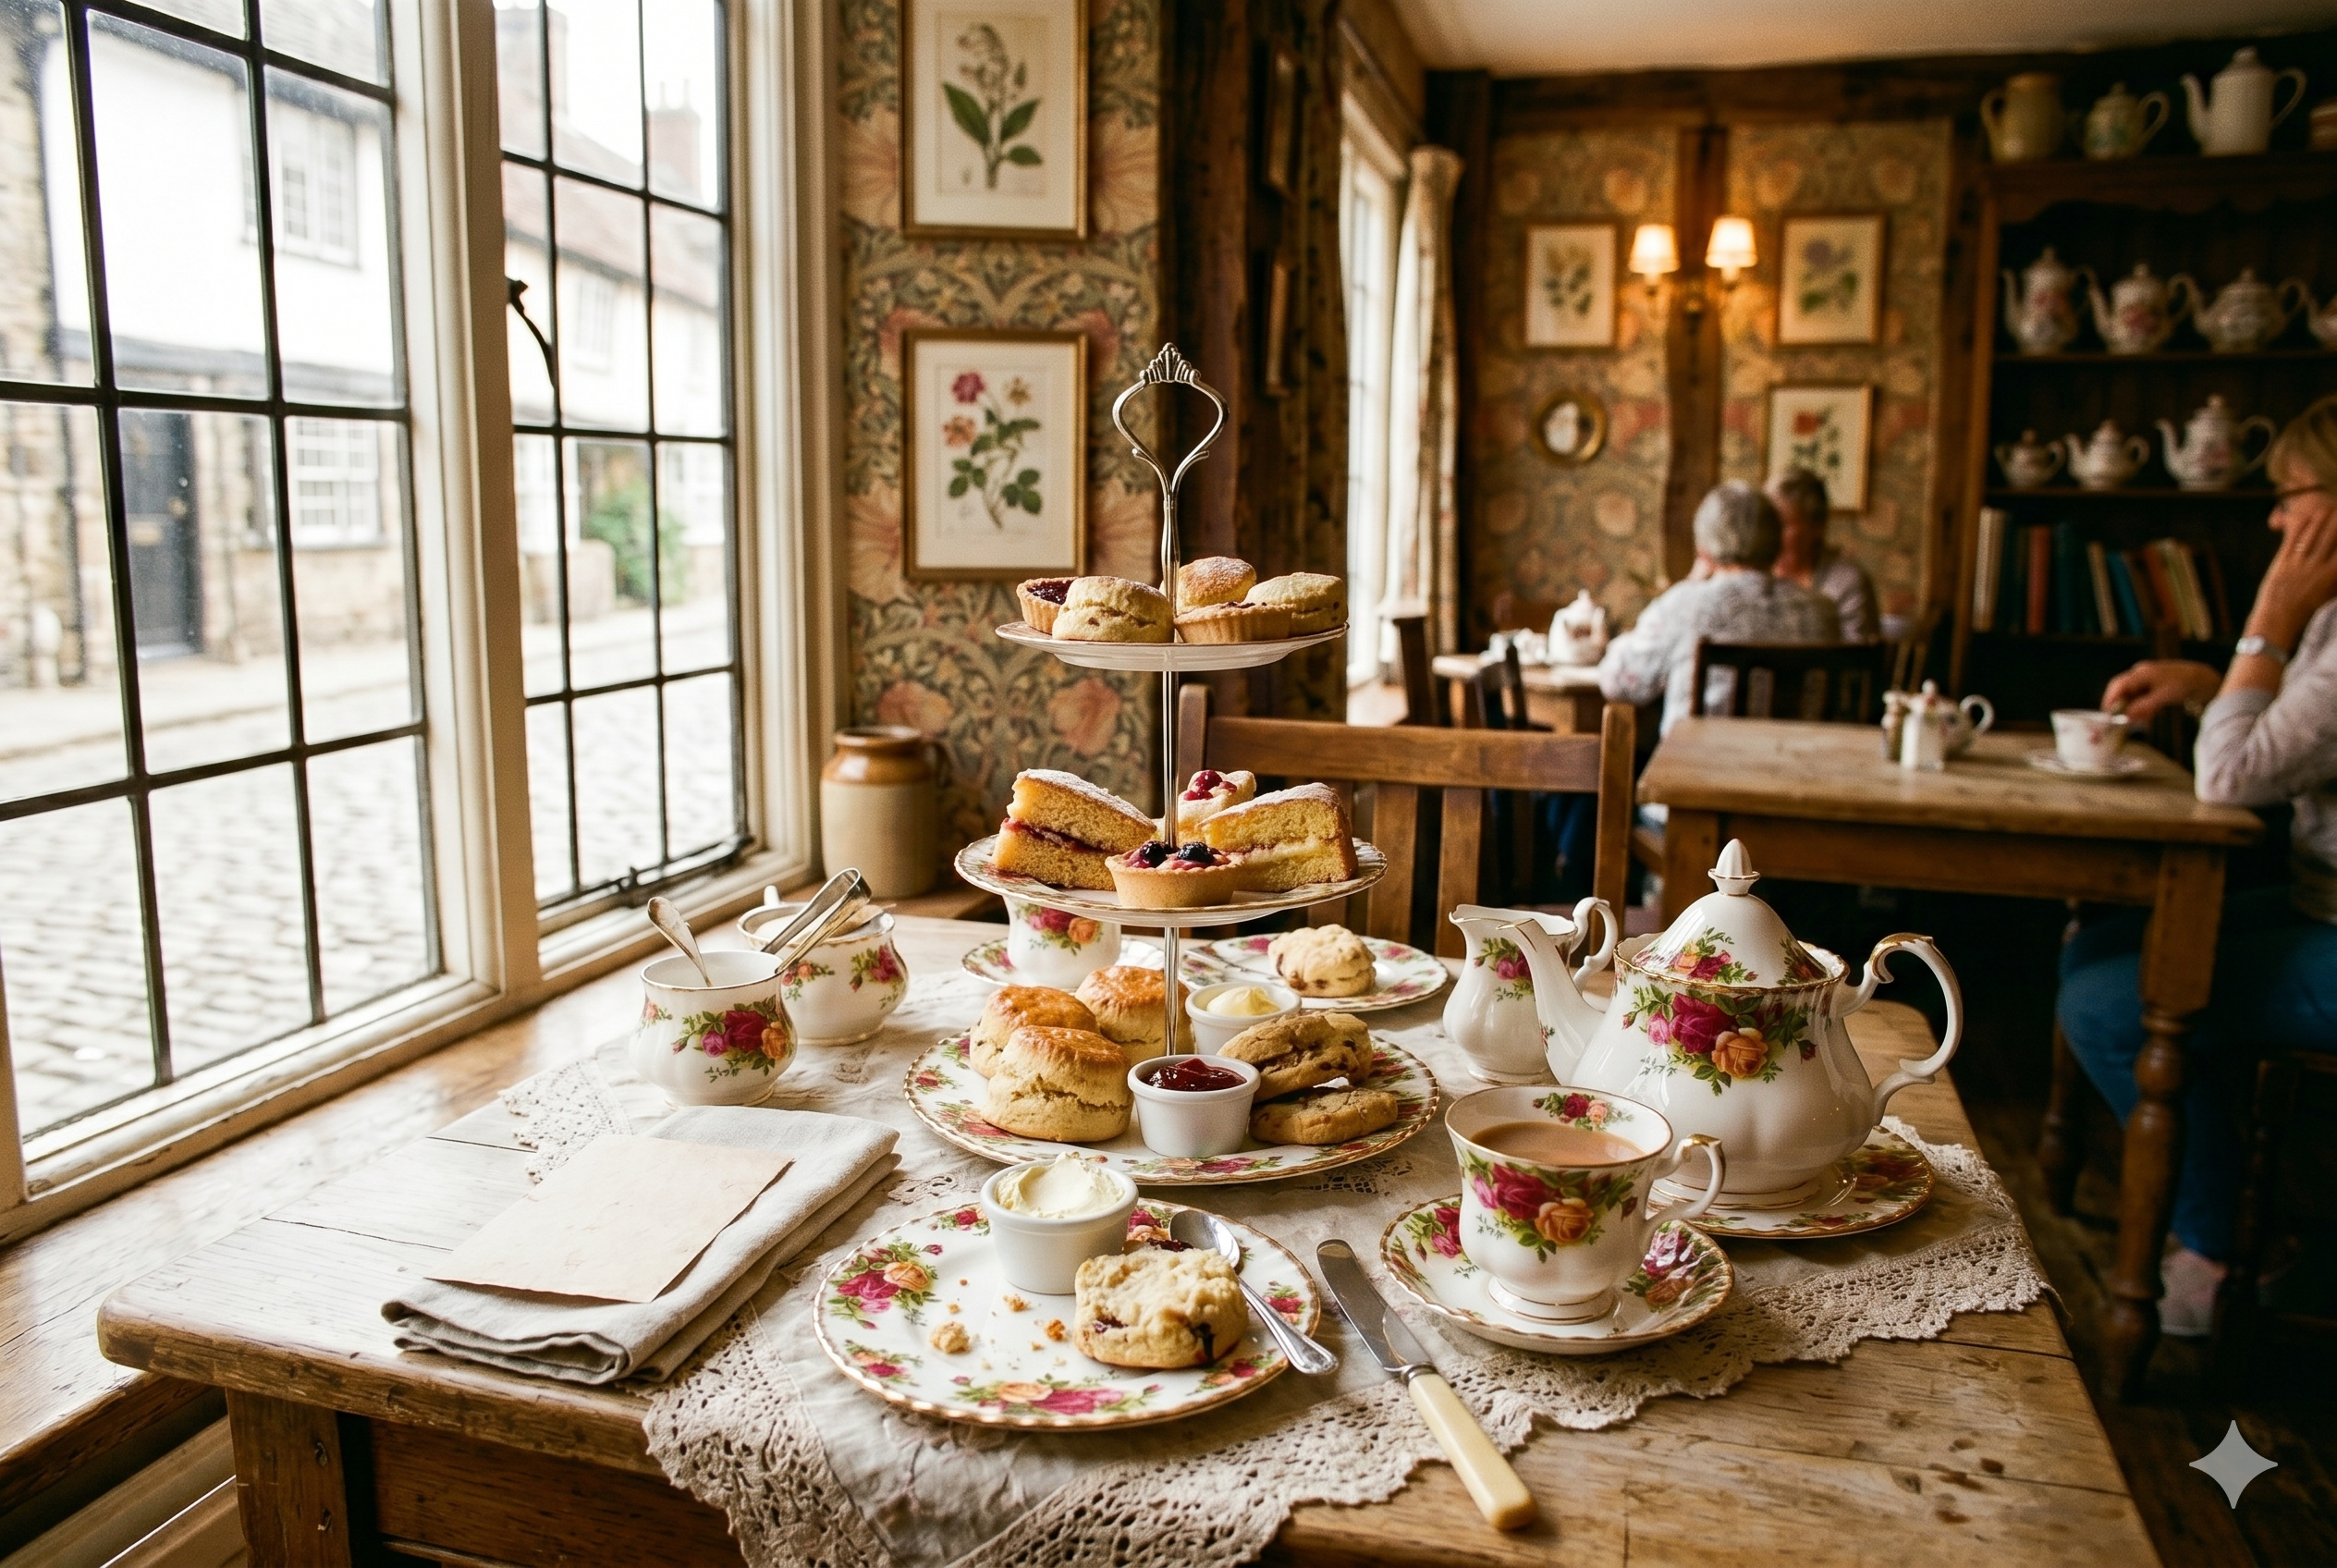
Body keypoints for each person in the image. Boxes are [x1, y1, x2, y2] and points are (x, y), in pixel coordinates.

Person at [2056, 392, 2337, 1336]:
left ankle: (2217, 1251)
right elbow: (2304, 728)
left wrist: (2261, 622)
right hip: (2312, 899)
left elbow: (2226, 775)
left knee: (2106, 1000)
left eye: (2290, 496)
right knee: (2098, 946)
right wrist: (2216, 682)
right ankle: (2217, 1206)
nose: (2272, 517)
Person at [1597, 480, 1840, 736]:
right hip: (1795, 769)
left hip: (1696, 771)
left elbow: (1620, 684)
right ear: (1776, 542)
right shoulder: (1822, 611)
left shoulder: (1685, 604)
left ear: (1703, 549)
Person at [1768, 467, 1879, 642]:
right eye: (1767, 523)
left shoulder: (1847, 583)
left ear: (1817, 527)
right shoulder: (1756, 578)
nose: (1771, 534)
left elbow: (1856, 660)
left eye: (1783, 525)